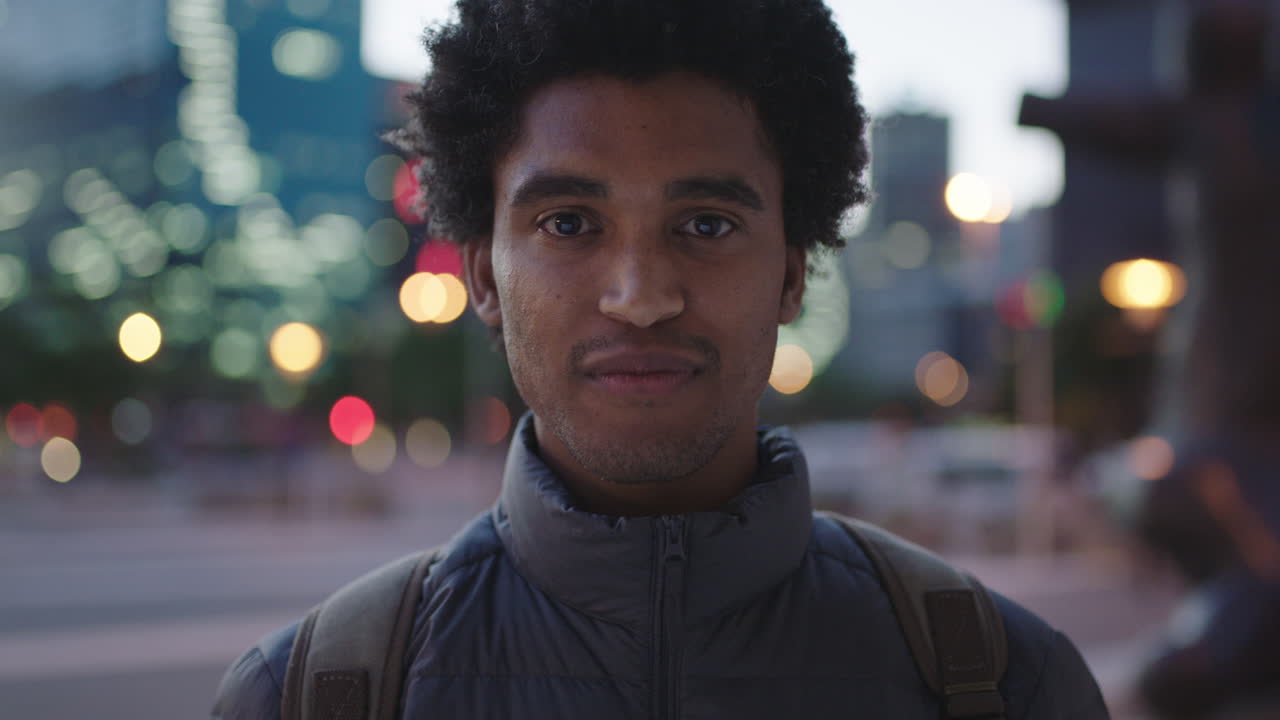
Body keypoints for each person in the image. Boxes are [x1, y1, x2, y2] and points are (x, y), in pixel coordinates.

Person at [213, 0, 1109, 717]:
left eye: (706, 225)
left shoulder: (1008, 684)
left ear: (790, 273)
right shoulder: (305, 694)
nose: (641, 296)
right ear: (484, 276)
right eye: (569, 223)